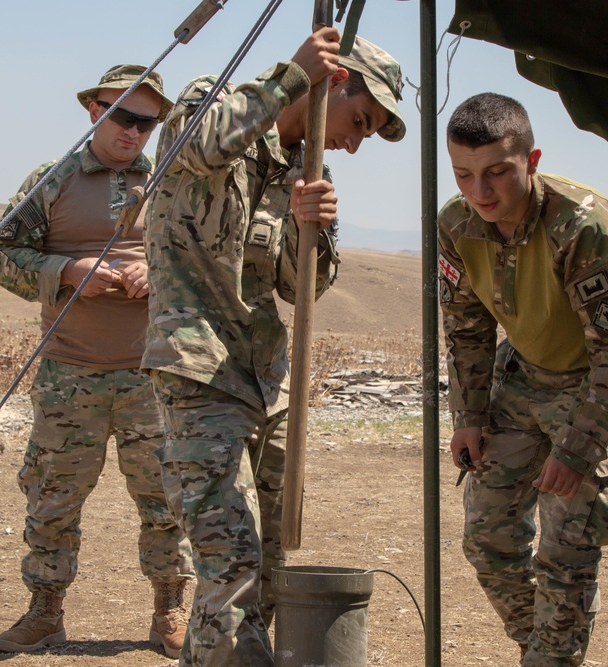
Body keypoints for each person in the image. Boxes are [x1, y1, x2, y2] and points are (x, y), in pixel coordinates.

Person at [141, 27, 405, 666]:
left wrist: (311, 228)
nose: (353, 140)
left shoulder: (306, 171)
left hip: (268, 380)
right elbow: (199, 145)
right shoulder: (215, 103)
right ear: (334, 83)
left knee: (274, 563)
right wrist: (291, 77)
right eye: (360, 121)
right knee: (229, 561)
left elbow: (298, 288)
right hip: (199, 371)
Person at [0, 65, 194, 658]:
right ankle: (44, 613)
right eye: (122, 115)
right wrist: (65, 271)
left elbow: (207, 260)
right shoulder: (49, 182)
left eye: (147, 122)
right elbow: (3, 255)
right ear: (93, 111)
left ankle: (169, 612)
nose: (133, 131)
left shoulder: (175, 182)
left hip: (152, 372)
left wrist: (161, 274)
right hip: (68, 372)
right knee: (52, 496)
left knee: (166, 497)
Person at [438, 92, 608, 667]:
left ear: (531, 162)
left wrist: (578, 450)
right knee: (487, 540)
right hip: (523, 375)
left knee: (568, 547)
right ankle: (546, 650)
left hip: (592, 382)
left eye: (497, 173)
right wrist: (469, 418)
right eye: (464, 175)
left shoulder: (581, 224)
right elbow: (466, 330)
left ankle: (551, 660)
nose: (480, 193)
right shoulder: (456, 225)